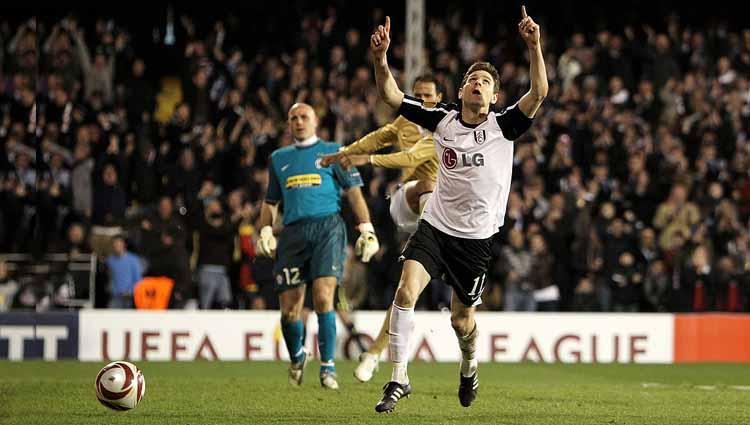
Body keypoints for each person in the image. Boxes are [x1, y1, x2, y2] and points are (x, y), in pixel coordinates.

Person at [368, 6, 547, 412]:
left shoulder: (505, 126)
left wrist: (535, 47)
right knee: (404, 290)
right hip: (436, 226)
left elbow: (539, 94)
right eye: (472, 80)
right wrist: (380, 59)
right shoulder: (443, 120)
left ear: (495, 95)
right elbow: (392, 96)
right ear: (462, 90)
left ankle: (469, 365)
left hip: (475, 240)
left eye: (485, 82)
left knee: (460, 322)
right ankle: (398, 379)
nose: (477, 85)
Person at [320, 74, 443, 383]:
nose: (422, 101)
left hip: (444, 212)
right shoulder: (403, 123)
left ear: (439, 98)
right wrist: (348, 152)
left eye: (428, 95)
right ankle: (425, 235)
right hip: (409, 202)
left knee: (409, 291)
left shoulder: (447, 126)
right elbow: (379, 139)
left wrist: (366, 158)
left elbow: (412, 155)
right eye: (417, 95)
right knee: (428, 184)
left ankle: (373, 354)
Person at [255, 102, 380, 390]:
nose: (299, 122)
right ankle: (298, 356)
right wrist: (264, 229)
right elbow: (270, 202)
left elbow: (354, 193)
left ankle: (328, 368)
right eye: (293, 118)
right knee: (290, 309)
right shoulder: (278, 158)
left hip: (328, 229)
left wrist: (366, 229)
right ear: (288, 124)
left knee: (324, 297)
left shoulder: (334, 151)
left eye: (304, 117)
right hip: (292, 234)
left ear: (315, 121)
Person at [105, 235, 143, 309]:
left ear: (124, 244)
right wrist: (111, 289)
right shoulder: (109, 260)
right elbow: (109, 277)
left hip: (130, 298)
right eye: (115, 244)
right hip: (115, 297)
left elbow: (138, 280)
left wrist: (130, 291)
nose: (117, 246)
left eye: (119, 243)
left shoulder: (133, 260)